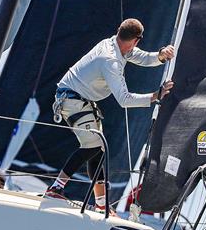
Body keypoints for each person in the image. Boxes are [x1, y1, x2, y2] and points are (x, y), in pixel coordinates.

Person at [45, 18, 174, 213]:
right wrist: (156, 96)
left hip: (78, 98)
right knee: (92, 146)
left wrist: (161, 56)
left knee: (98, 150)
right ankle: (55, 188)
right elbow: (124, 100)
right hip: (72, 98)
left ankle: (101, 204)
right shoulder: (111, 60)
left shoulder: (115, 44)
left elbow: (142, 58)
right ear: (136, 40)